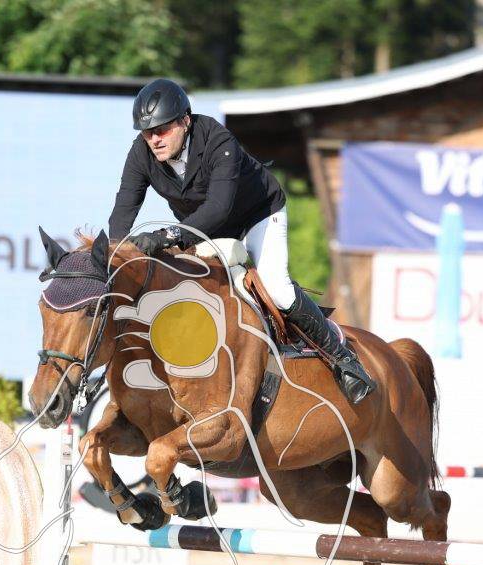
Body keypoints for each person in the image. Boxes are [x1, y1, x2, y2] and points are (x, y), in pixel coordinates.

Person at [107, 78, 376, 405]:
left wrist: (168, 236)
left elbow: (219, 208)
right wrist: (112, 256)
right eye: (147, 132)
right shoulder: (141, 152)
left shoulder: (218, 140)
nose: (154, 139)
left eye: (162, 129)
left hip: (258, 215)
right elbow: (124, 207)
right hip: (206, 227)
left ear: (185, 121)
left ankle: (344, 360)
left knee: (276, 288)